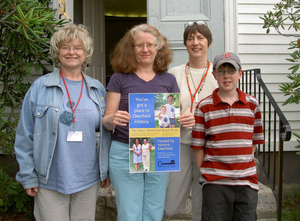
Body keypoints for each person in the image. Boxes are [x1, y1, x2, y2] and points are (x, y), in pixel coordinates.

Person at [14, 23, 111, 221]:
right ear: (57, 52)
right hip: (50, 179)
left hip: (88, 179)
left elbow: (106, 133)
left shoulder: (97, 89)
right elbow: (25, 134)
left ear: (86, 53)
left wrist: (105, 169)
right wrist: (27, 175)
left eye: (78, 47)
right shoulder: (40, 87)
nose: (71, 52)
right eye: (65, 47)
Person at [102, 23, 180, 221]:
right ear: (131, 49)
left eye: (150, 45)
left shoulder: (169, 79)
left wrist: (182, 120)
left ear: (158, 48)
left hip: (161, 149)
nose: (145, 49)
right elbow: (106, 121)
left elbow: (172, 118)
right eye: (139, 45)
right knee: (129, 213)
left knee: (154, 211)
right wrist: (112, 119)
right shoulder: (119, 78)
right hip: (124, 150)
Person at [191, 52, 264, 220]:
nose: (226, 76)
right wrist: (206, 173)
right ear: (214, 75)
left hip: (246, 182)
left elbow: (254, 140)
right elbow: (197, 145)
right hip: (215, 183)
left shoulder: (252, 104)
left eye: (231, 70)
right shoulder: (204, 107)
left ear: (240, 73)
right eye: (221, 71)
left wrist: (241, 163)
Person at [163, 21, 218, 220]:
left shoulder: (218, 74)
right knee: (171, 200)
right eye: (190, 38)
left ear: (209, 43)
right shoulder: (173, 74)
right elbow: (161, 112)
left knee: (204, 198)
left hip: (209, 145)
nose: (196, 42)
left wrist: (202, 121)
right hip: (179, 143)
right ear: (185, 43)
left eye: (200, 38)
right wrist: (177, 118)